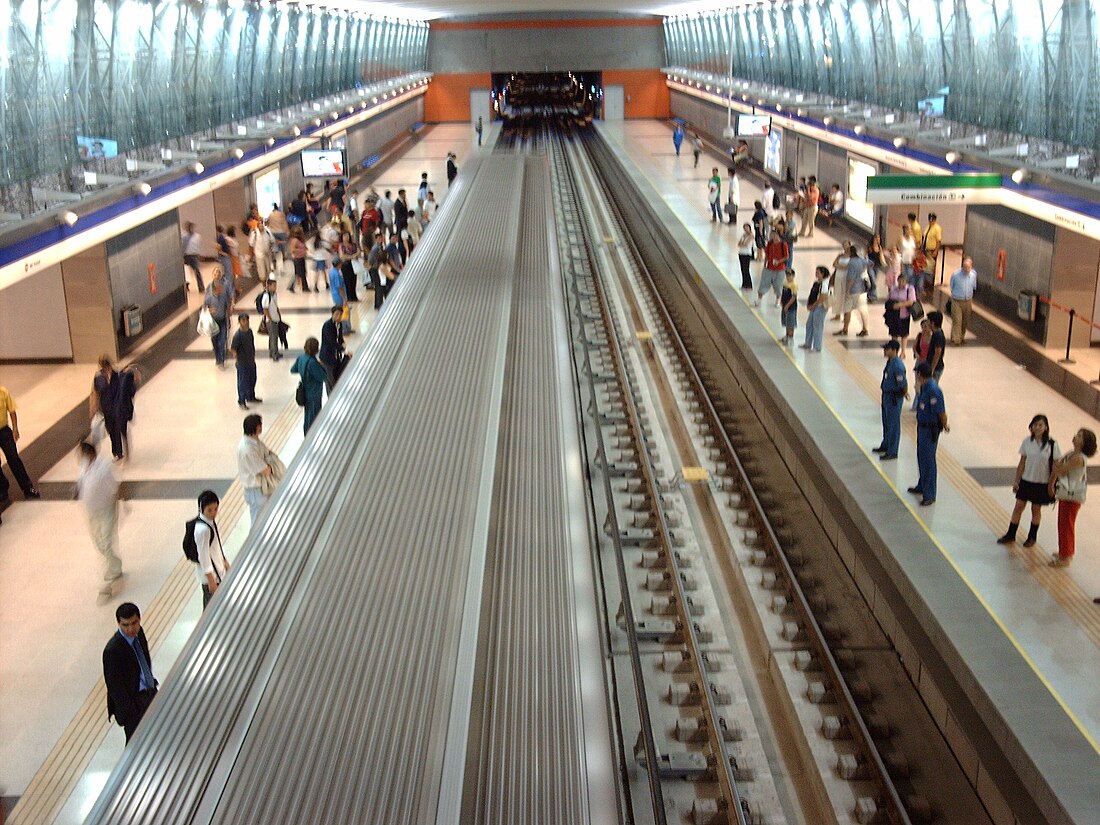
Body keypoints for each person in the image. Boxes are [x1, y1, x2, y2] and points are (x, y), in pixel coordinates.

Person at [997, 414, 1060, 548]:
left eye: (1041, 425)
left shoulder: (1052, 445)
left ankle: (1032, 537)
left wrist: (1051, 485)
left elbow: (1056, 465)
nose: (1037, 427)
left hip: (1042, 483)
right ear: (1031, 426)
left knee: (1035, 509)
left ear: (1046, 427)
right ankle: (1011, 534)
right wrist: (1016, 480)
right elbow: (1022, 462)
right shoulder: (1027, 442)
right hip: (1026, 480)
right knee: (1018, 506)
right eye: (1035, 424)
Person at [102, 602, 158, 743]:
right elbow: (115, 688)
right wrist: (132, 710)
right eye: (125, 625)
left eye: (134, 623)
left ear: (139, 620)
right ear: (119, 624)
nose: (131, 629)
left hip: (149, 693)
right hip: (134, 704)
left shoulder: (139, 633)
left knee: (154, 733)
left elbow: (144, 659)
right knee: (135, 742)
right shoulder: (113, 650)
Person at [77, 441, 123, 602]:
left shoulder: (103, 467)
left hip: (107, 510)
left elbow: (115, 487)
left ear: (91, 453)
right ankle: (115, 566)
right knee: (98, 543)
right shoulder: (83, 466)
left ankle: (105, 583)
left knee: (106, 542)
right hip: (91, 512)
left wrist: (122, 504)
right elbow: (82, 484)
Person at [1048, 428, 1097, 566]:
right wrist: (1056, 469)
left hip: (1072, 495)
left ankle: (1066, 556)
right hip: (1066, 493)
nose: (1075, 436)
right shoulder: (1071, 453)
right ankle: (1064, 551)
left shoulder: (1079, 458)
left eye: (1080, 436)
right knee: (1062, 523)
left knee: (1067, 524)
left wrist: (1057, 467)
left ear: (1084, 443)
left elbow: (1060, 469)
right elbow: (1058, 467)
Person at [909, 362, 949, 506]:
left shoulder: (934, 390)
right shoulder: (924, 388)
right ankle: (922, 485)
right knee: (921, 456)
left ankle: (929, 494)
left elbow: (941, 412)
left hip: (930, 429)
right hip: (922, 427)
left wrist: (945, 425)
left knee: (928, 460)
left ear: (920, 374)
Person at [0, 385, 40, 503]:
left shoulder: (3, 392)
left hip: (4, 431)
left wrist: (15, 428)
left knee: (13, 458)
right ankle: (2, 488)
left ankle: (27, 487)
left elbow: (12, 411)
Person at [90, 356, 134, 461]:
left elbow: (127, 389)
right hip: (107, 408)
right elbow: (95, 393)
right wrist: (93, 407)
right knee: (111, 430)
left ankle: (125, 451)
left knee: (121, 430)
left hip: (119, 408)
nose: (106, 370)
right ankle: (117, 452)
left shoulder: (119, 376)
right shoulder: (99, 378)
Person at [193, 489, 229, 608]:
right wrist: (211, 580)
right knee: (210, 610)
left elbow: (216, 546)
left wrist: (224, 561)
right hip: (211, 578)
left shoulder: (209, 522)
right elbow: (203, 556)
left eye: (215, 509)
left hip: (217, 572)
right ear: (201, 509)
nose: (213, 513)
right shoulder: (202, 530)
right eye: (209, 510)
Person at [873, 340, 909, 461]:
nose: (884, 351)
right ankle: (886, 444)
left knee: (893, 424)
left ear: (894, 350)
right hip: (886, 396)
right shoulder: (890, 362)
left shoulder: (898, 366)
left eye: (887, 349)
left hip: (893, 397)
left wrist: (903, 394)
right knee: (886, 422)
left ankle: (893, 450)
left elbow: (902, 383)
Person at [237, 414, 274, 527]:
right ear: (256, 427)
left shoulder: (254, 441)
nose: (262, 427)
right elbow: (265, 470)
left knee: (262, 519)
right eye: (260, 425)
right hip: (256, 491)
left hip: (259, 489)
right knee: (258, 522)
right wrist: (272, 466)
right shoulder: (248, 450)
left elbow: (268, 453)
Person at [292, 337, 327, 434]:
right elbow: (323, 377)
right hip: (314, 394)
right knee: (314, 419)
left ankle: (306, 436)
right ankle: (311, 438)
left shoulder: (301, 358)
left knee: (307, 417)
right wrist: (322, 365)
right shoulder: (313, 363)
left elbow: (293, 370)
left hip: (305, 392)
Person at [837, 245, 870, 337]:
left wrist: (847, 290)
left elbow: (851, 279)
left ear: (851, 253)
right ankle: (865, 328)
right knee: (863, 309)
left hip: (853, 290)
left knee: (847, 309)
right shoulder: (862, 261)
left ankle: (845, 329)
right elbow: (870, 263)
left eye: (847, 251)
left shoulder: (851, 263)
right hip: (862, 289)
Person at [230, 314, 261, 410]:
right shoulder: (238, 335)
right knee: (243, 383)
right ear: (239, 322)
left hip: (251, 361)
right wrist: (237, 358)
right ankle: (241, 401)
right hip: (242, 363)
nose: (246, 322)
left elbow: (252, 344)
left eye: (247, 320)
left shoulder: (250, 332)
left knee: (252, 379)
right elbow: (233, 349)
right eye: (243, 320)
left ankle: (250, 396)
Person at [755, 225, 788, 308]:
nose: (773, 236)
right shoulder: (769, 244)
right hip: (769, 267)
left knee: (778, 285)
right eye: (771, 235)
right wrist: (765, 264)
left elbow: (787, 256)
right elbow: (767, 254)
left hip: (780, 269)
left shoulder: (783, 244)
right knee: (763, 283)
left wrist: (779, 261)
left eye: (774, 235)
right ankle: (759, 299)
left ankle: (778, 300)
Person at [884, 272, 917, 354]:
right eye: (900, 280)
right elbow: (889, 298)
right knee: (894, 333)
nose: (902, 283)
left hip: (904, 315)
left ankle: (903, 351)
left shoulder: (910, 289)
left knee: (904, 334)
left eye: (904, 281)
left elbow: (911, 301)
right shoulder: (893, 288)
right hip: (894, 314)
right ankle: (894, 349)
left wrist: (899, 305)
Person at [320, 305, 351, 390]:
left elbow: (340, 339)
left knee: (336, 377)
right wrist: (344, 350)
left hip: (335, 357)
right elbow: (331, 342)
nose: (338, 317)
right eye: (336, 314)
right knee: (330, 381)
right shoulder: (327, 326)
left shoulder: (339, 325)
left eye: (340, 315)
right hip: (327, 357)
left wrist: (344, 346)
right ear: (332, 314)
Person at [949, 256, 978, 345]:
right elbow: (951, 285)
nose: (966, 270)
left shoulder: (973, 275)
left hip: (968, 300)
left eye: (968, 268)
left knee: (965, 320)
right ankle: (956, 338)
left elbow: (974, 286)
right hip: (957, 300)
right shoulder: (956, 275)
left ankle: (961, 336)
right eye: (965, 267)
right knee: (957, 320)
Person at [800, 265, 829, 353]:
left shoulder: (824, 284)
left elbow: (822, 297)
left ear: (823, 274)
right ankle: (807, 343)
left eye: (818, 272)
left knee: (817, 326)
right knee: (809, 324)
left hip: (819, 307)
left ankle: (817, 346)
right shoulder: (817, 283)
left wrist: (814, 305)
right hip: (814, 306)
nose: (816, 274)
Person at [203, 279, 231, 368]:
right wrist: (209, 311)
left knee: (222, 341)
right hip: (213, 322)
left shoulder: (223, 296)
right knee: (215, 341)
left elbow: (227, 306)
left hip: (222, 320)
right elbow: (203, 309)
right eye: (220, 288)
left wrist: (228, 317)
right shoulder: (209, 297)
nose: (222, 289)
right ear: (216, 289)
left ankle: (222, 360)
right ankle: (217, 357)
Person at [262, 280, 284, 361]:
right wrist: (270, 319)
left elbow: (276, 306)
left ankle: (274, 352)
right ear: (269, 286)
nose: (275, 287)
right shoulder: (266, 296)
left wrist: (279, 315)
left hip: (276, 318)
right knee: (273, 337)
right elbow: (265, 309)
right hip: (271, 320)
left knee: (274, 337)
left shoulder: (274, 295)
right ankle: (274, 354)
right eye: (274, 286)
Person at [181, 222, 204, 291]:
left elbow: (199, 246)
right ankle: (186, 285)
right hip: (186, 255)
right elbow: (182, 246)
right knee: (186, 272)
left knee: (197, 271)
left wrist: (200, 254)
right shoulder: (184, 236)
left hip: (194, 255)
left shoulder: (197, 236)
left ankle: (201, 287)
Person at [922, 213, 942, 293]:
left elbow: (938, 241)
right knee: (925, 268)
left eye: (932, 220)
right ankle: (925, 286)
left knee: (930, 269)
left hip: (932, 250)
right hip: (926, 250)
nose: (931, 222)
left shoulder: (937, 228)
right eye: (929, 220)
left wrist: (936, 251)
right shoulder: (928, 227)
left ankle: (930, 288)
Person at [339, 231, 360, 303]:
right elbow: (342, 256)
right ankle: (349, 297)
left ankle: (354, 296)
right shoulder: (341, 245)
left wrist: (355, 255)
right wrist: (352, 256)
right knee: (347, 281)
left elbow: (358, 251)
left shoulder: (353, 244)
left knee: (354, 280)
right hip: (345, 265)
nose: (346, 237)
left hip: (354, 264)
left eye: (347, 236)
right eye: (344, 236)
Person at [779, 269, 798, 345]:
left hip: (791, 307)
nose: (788, 277)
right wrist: (781, 301)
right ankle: (787, 335)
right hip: (784, 306)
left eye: (790, 275)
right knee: (786, 322)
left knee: (791, 323)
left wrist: (787, 305)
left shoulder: (794, 286)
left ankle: (791, 337)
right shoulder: (785, 283)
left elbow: (793, 297)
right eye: (787, 275)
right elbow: (783, 294)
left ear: (793, 276)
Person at [288, 226, 309, 292]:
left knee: (303, 273)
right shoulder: (294, 240)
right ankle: (292, 286)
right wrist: (300, 250)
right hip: (297, 259)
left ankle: (305, 287)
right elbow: (292, 249)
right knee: (299, 273)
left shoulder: (301, 240)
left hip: (301, 258)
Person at [736, 223, 755, 290]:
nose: (745, 229)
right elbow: (739, 244)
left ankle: (749, 285)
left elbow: (746, 244)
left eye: (747, 227)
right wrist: (742, 243)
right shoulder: (743, 235)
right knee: (742, 269)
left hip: (747, 254)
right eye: (744, 228)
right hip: (741, 253)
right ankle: (744, 284)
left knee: (746, 269)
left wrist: (742, 243)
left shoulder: (751, 236)